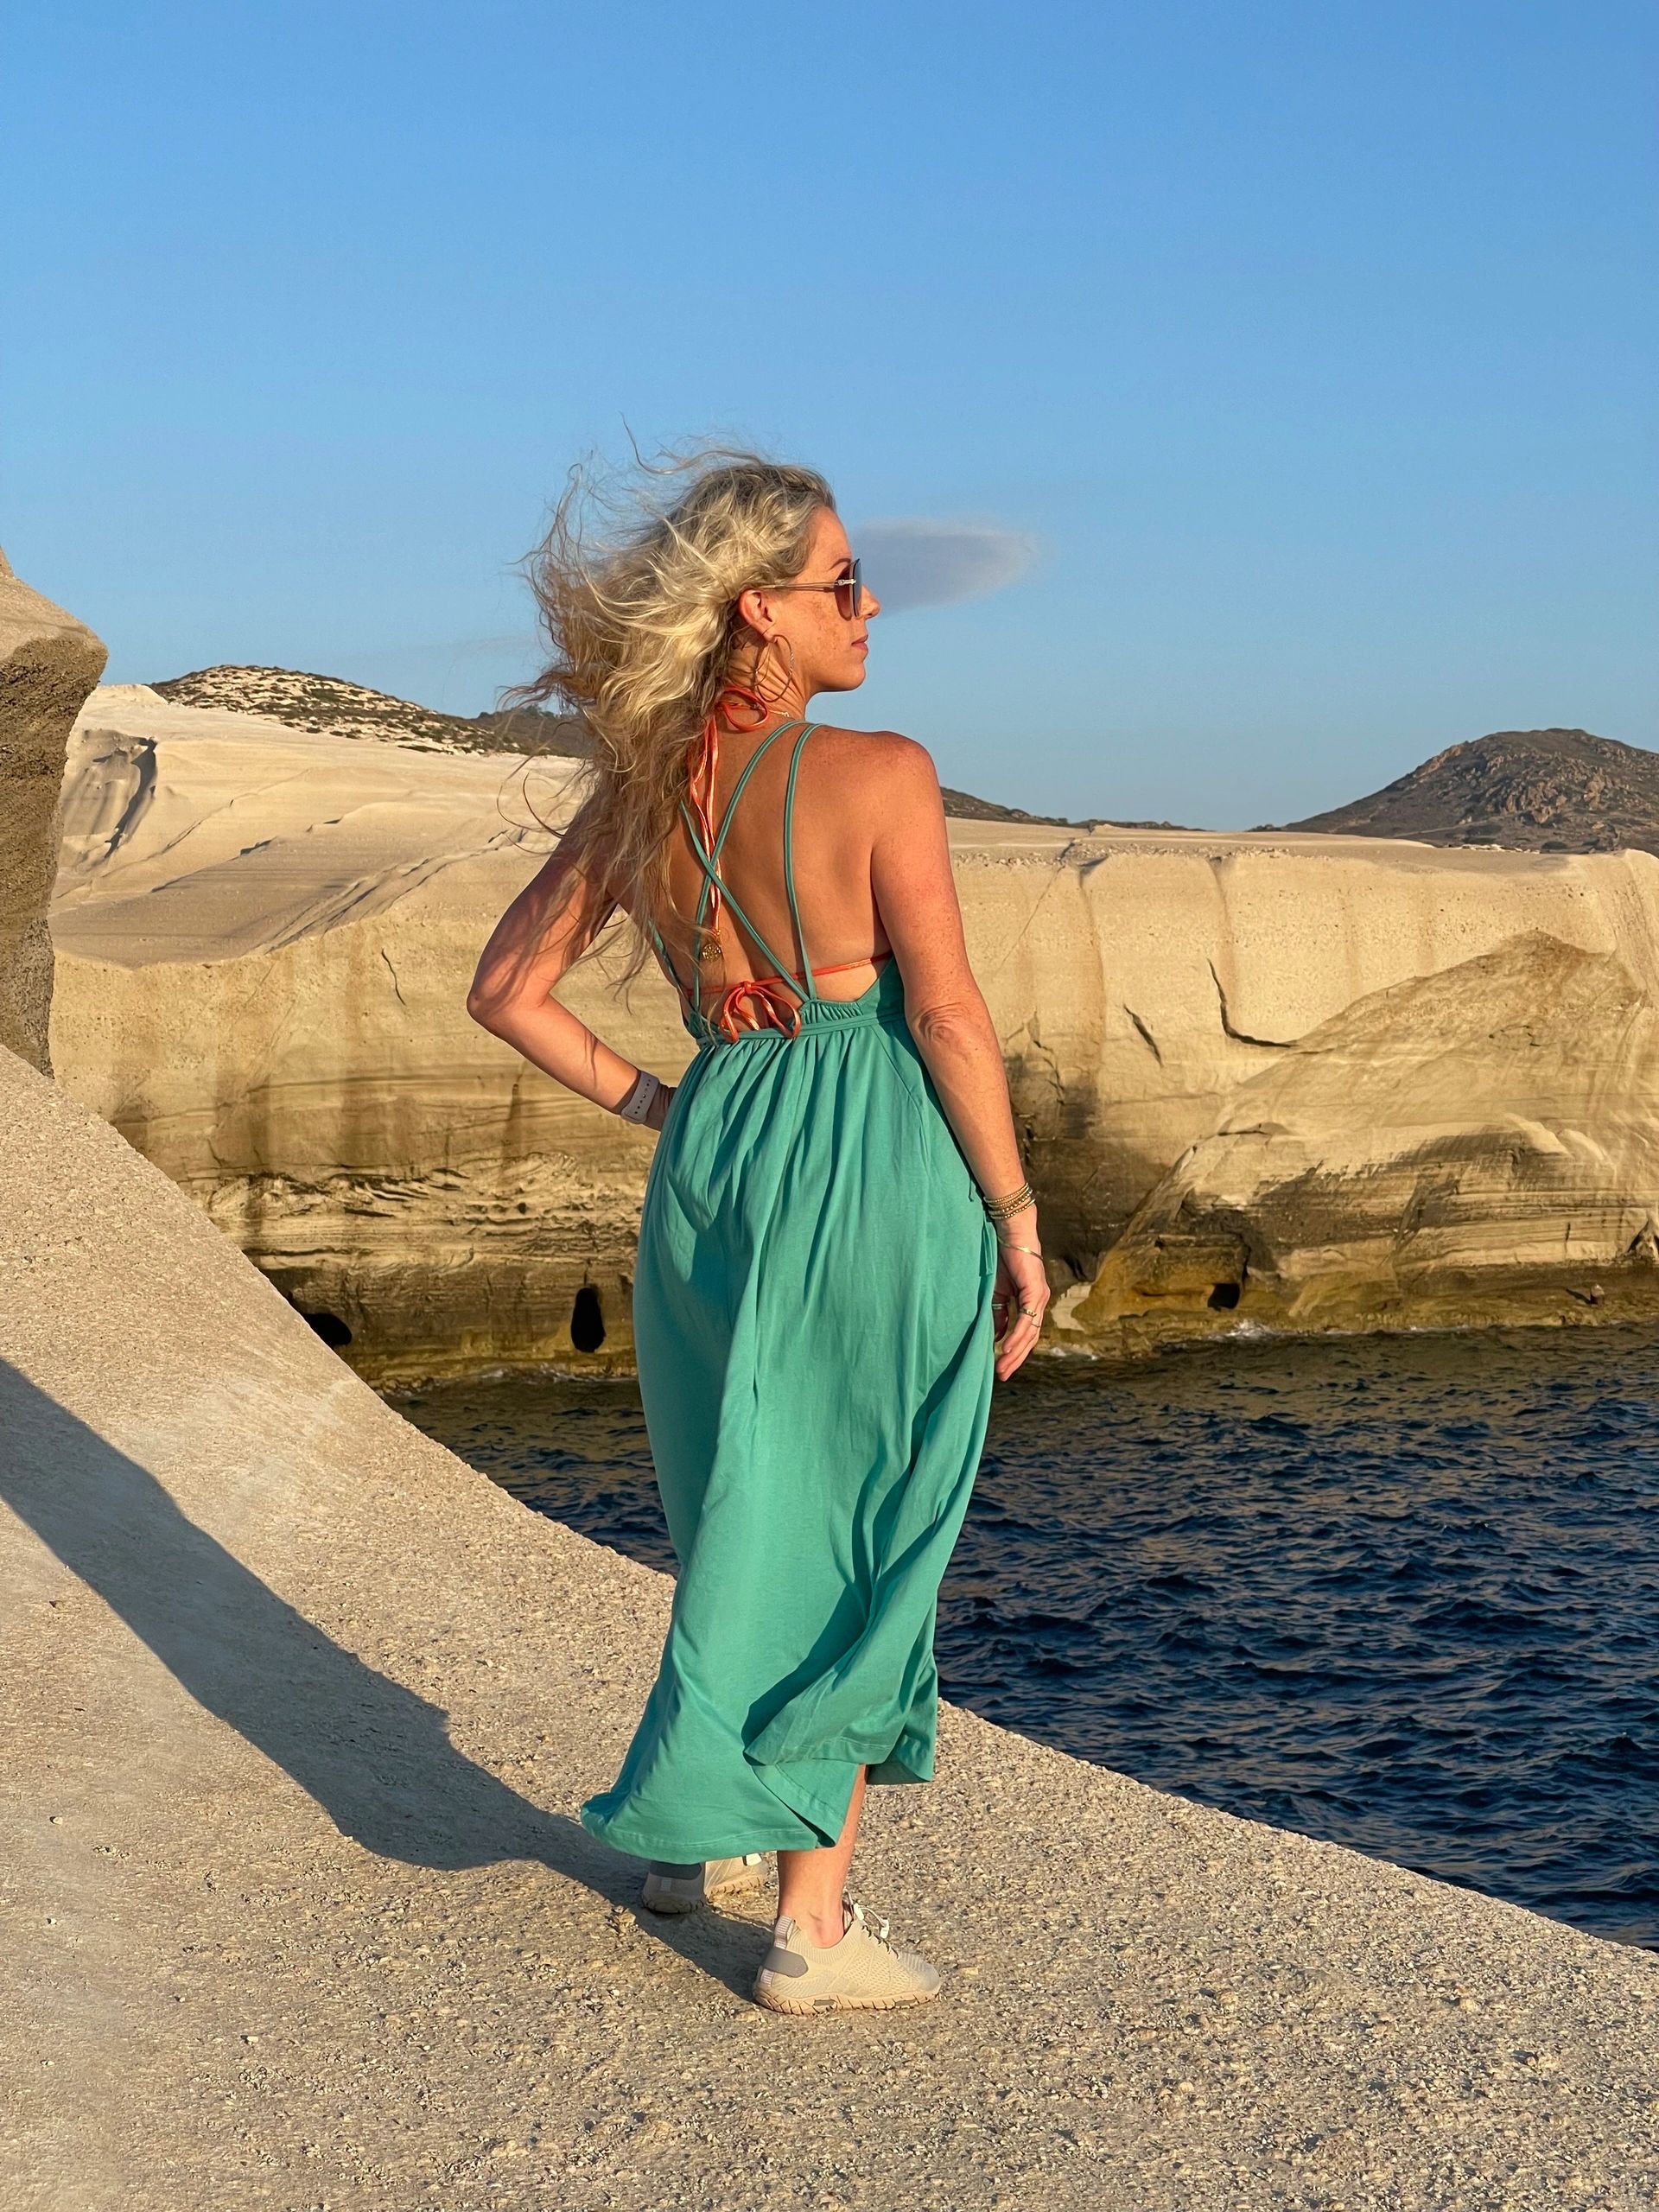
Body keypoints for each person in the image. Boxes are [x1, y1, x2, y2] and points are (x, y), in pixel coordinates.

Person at [467, 448, 1048, 2013]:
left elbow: (507, 993)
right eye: (841, 582)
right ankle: (814, 1926)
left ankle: (690, 1840)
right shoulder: (886, 772)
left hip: (715, 1157)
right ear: (757, 611)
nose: (871, 606)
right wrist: (1015, 1215)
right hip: (867, 1156)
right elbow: (947, 1016)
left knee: (745, 1498)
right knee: (856, 1522)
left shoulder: (643, 794)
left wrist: (669, 1103)